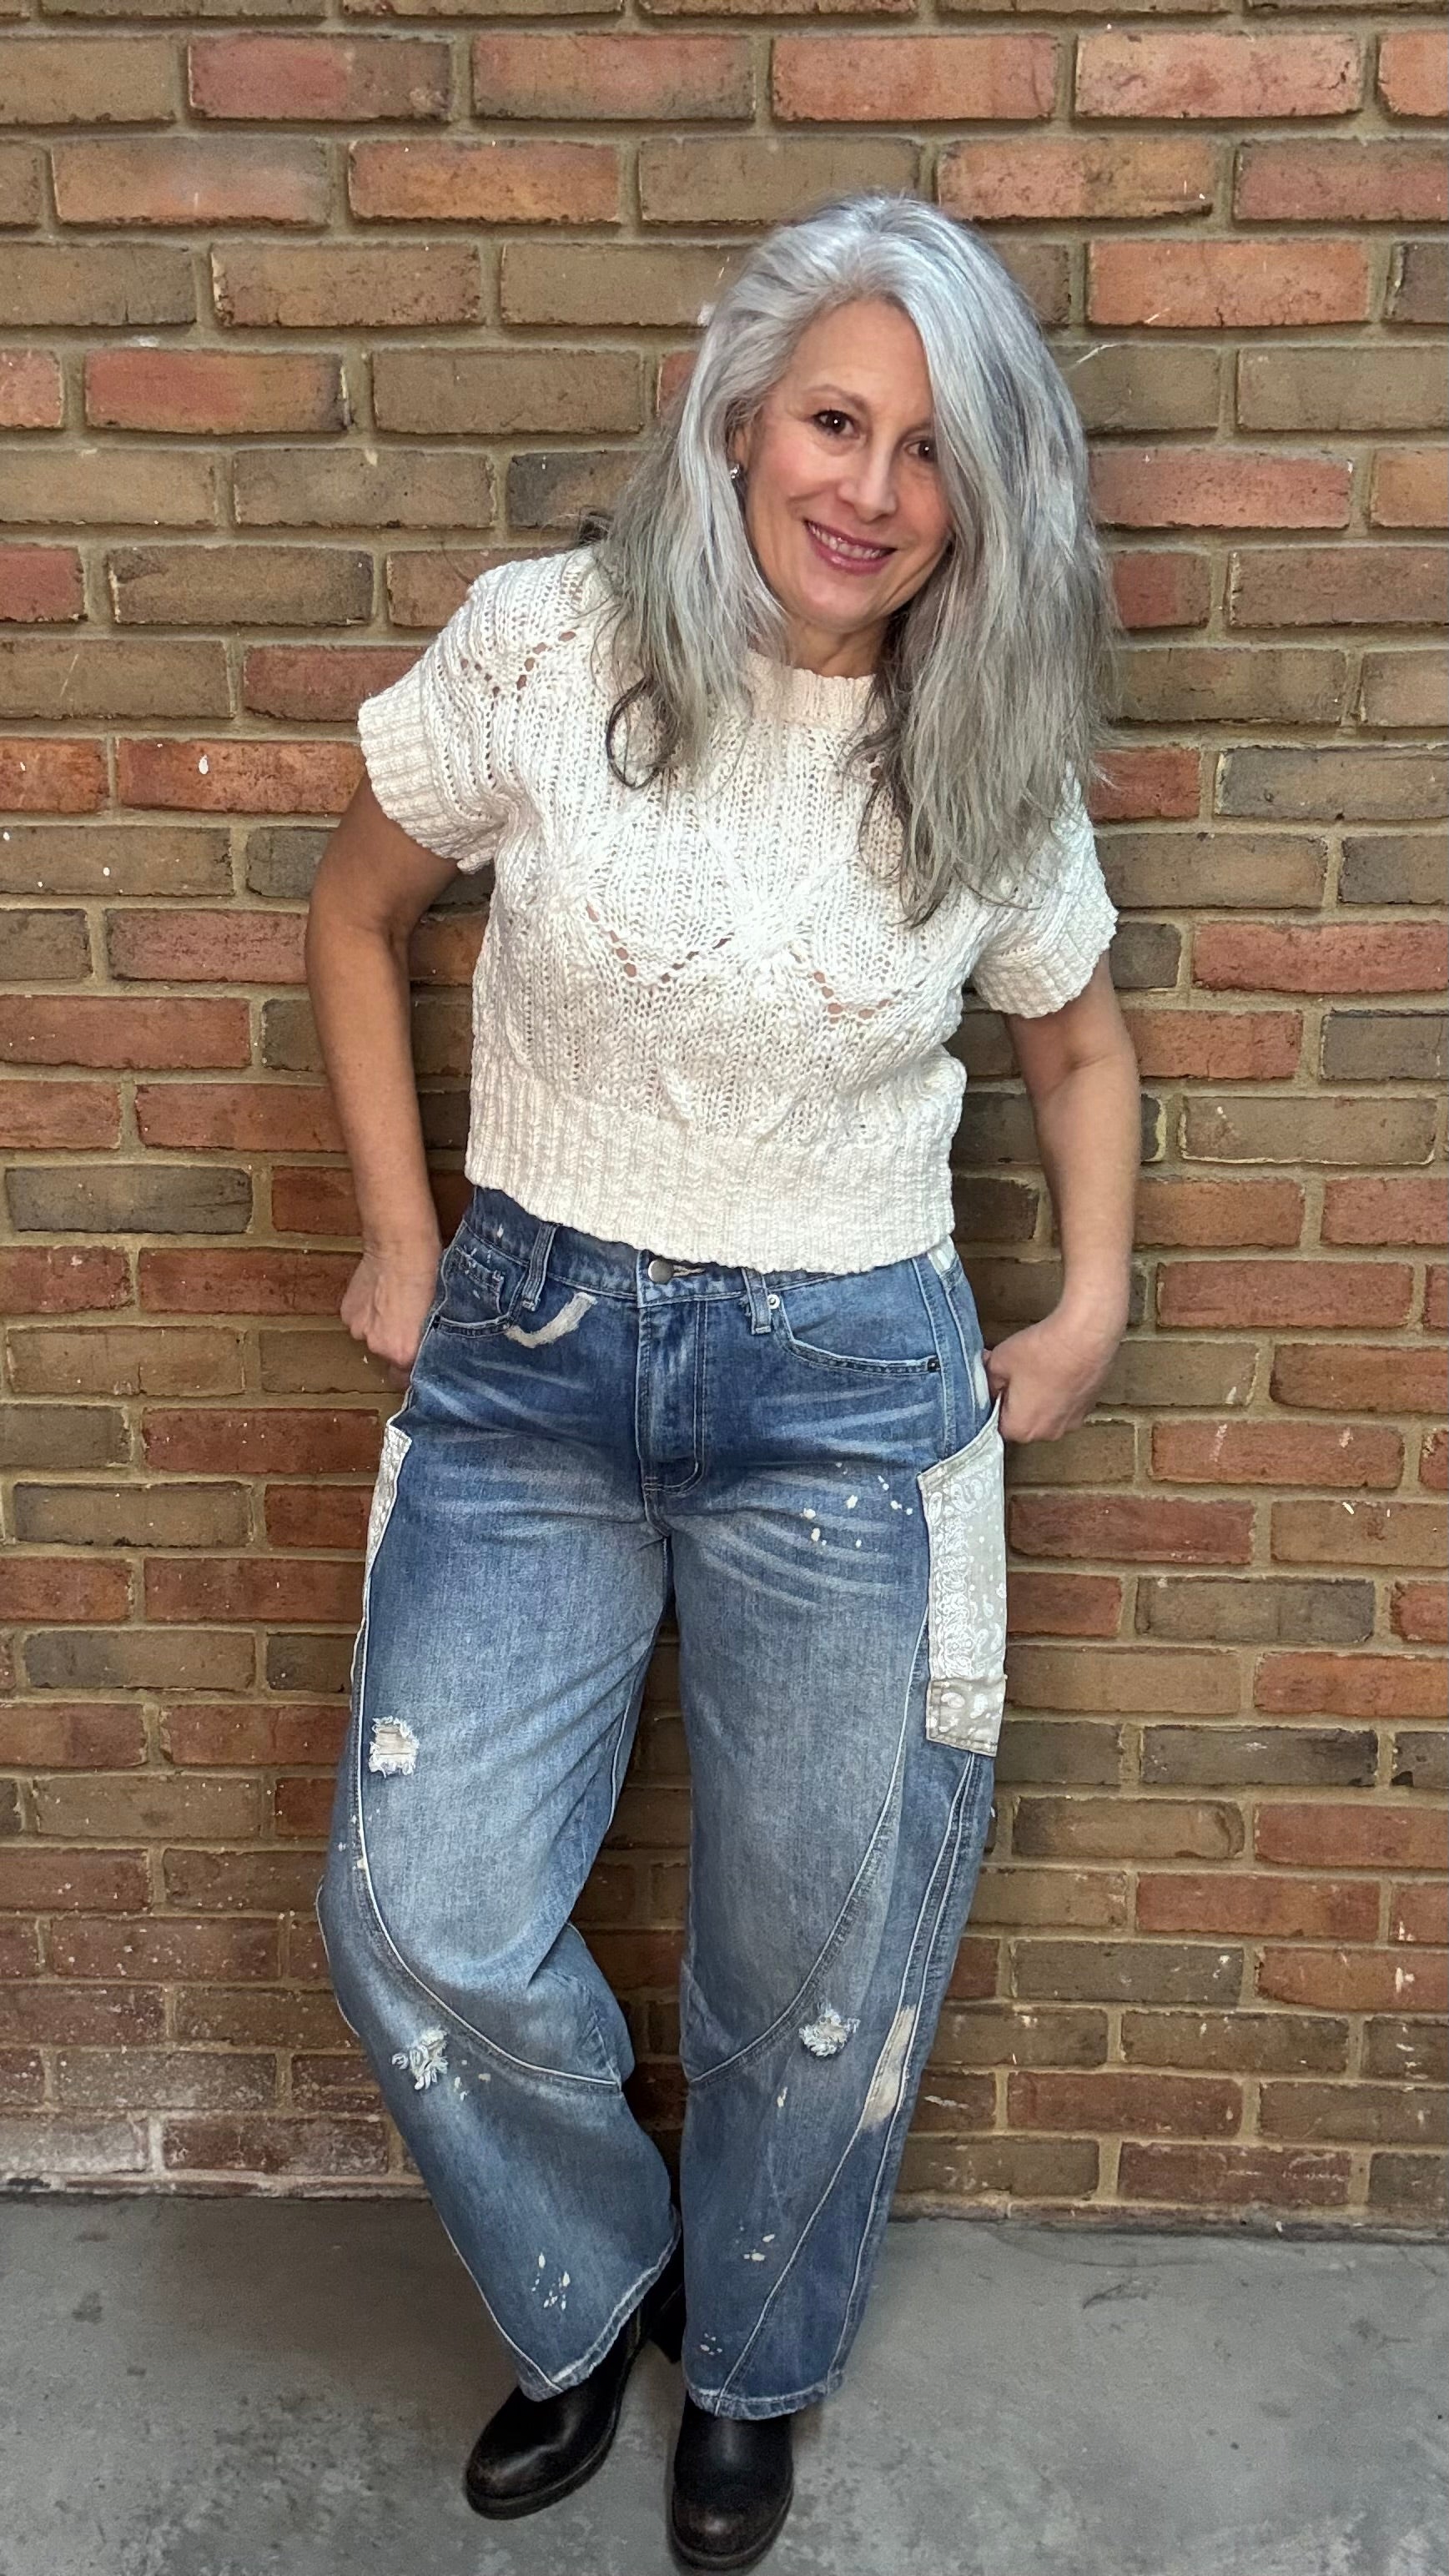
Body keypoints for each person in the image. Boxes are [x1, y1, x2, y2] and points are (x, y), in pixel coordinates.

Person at [308, 189, 1140, 2570]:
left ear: (980, 496)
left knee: (814, 1958)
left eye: (927, 448)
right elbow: (357, 914)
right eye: (832, 420)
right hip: (531, 1359)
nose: (867, 488)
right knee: (421, 1906)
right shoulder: (547, 649)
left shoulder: (976, 738)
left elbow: (1072, 1041)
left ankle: (750, 2368)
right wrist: (402, 1231)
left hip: (846, 1394)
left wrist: (1082, 1301)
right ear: (737, 416)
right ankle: (593, 2285)